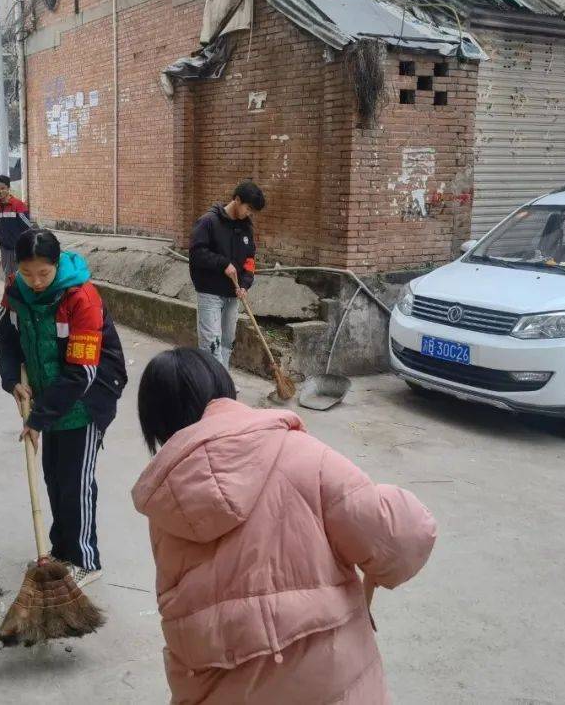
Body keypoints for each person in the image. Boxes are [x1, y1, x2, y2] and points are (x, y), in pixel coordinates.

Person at [132, 348, 437, 703]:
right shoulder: (305, 455)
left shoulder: (167, 503)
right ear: (226, 392)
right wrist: (386, 503)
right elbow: (404, 538)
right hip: (328, 686)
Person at [0, 229, 128, 588]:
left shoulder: (81, 297)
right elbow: (5, 338)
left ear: (57, 266)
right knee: (54, 475)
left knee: (76, 480)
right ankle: (61, 550)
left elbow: (82, 371)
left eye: (44, 274)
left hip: (87, 397)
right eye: (27, 273)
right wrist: (12, 381)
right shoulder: (15, 290)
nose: (35, 282)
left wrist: (38, 418)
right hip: (47, 394)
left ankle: (85, 559)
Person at [189, 180, 264, 369]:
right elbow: (197, 253)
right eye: (248, 208)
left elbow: (249, 260)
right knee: (211, 343)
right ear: (237, 200)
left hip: (233, 293)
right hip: (210, 292)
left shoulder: (246, 228)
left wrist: (246, 284)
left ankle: (223, 381)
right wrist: (223, 264)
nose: (250, 214)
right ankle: (214, 388)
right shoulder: (208, 221)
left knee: (227, 341)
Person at [0, 175, 33, 279]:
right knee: (7, 274)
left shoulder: (18, 205)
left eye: (3, 188)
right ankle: (8, 294)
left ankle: (16, 294)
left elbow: (27, 226)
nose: (0, 191)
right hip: (4, 247)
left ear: (8, 188)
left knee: (17, 276)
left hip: (16, 246)